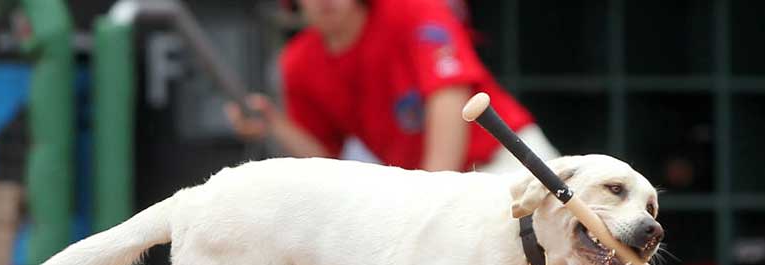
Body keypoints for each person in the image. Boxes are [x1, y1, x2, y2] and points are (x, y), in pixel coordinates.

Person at [226, 0, 558, 173]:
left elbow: (450, 95)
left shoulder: (411, 8)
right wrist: (272, 125)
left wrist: (432, 194)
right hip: (428, 190)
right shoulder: (298, 62)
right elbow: (327, 160)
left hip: (506, 161)